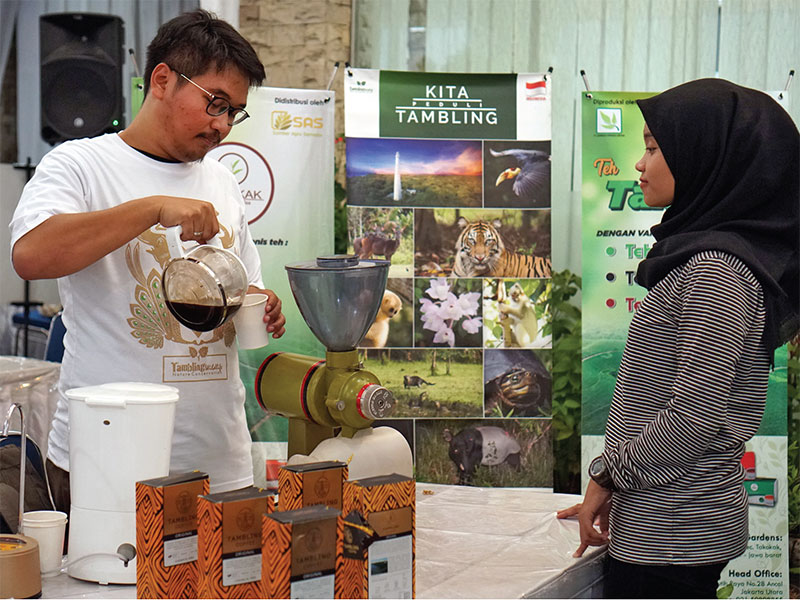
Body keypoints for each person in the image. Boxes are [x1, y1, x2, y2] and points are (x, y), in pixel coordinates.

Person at [9, 9, 286, 515]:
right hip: (109, 463)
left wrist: (265, 304)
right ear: (162, 80)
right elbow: (31, 254)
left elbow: (247, 287)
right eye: (215, 104)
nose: (223, 125)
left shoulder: (221, 181)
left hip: (219, 465)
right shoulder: (80, 164)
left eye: (235, 112)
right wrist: (151, 208)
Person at [557, 78, 799, 598]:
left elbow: (695, 417)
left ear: (705, 158)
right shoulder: (705, 258)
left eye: (652, 147)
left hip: (673, 536)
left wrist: (606, 476)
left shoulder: (717, 269)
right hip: (662, 524)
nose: (640, 165)